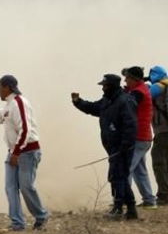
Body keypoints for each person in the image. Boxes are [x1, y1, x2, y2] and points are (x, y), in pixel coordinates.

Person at [0, 74, 49, 231]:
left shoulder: (19, 103)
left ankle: (41, 216)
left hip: (27, 152)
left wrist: (17, 153)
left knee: (26, 186)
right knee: (10, 187)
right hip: (14, 151)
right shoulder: (9, 105)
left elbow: (25, 129)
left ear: (7, 87)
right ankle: (17, 223)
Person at [72, 74, 138, 220]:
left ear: (112, 86)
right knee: (119, 176)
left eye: (105, 85)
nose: (103, 88)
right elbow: (93, 108)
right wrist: (78, 102)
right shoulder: (107, 100)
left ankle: (118, 208)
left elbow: (131, 125)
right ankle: (131, 209)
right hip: (112, 146)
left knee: (117, 176)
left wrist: (125, 146)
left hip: (122, 147)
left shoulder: (124, 101)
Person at [122, 66, 157, 208]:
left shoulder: (138, 92)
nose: (125, 80)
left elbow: (126, 105)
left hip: (138, 137)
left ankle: (123, 201)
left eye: (127, 78)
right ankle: (149, 200)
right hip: (144, 137)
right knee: (140, 170)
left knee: (126, 168)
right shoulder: (141, 90)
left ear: (134, 79)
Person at [147, 65, 168, 205]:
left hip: (163, 130)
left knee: (158, 161)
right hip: (164, 130)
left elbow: (143, 95)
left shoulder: (158, 87)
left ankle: (163, 195)